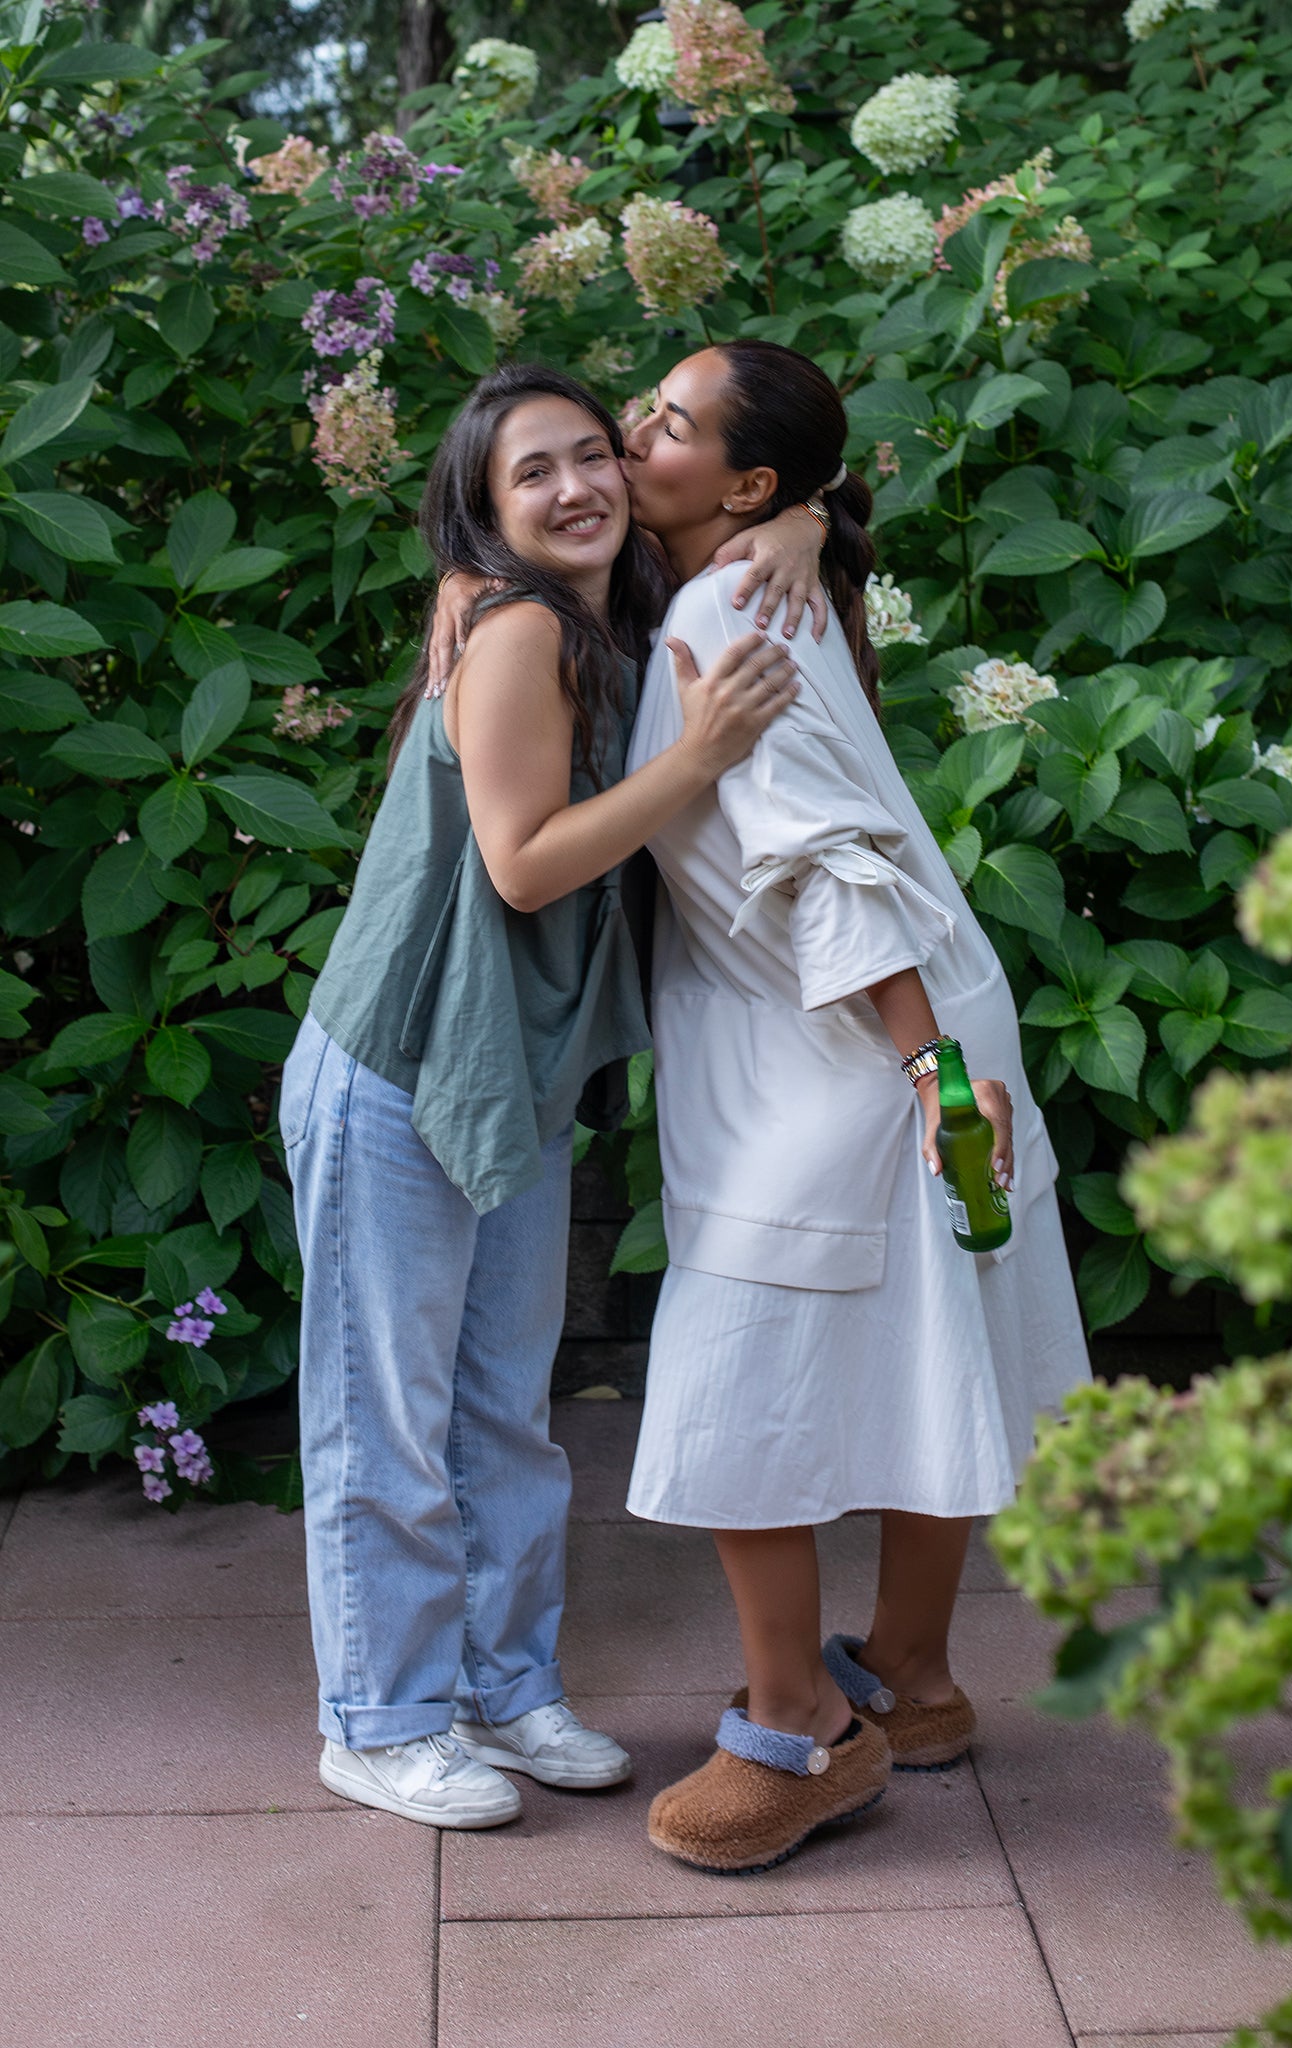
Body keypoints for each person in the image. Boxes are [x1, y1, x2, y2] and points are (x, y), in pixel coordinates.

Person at [280, 362, 820, 1831]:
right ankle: (378, 1722)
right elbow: (524, 864)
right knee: (384, 1418)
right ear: (485, 508)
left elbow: (792, 491)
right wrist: (704, 758)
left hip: (507, 1076)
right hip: (396, 1073)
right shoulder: (516, 628)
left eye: (595, 454)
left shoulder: (618, 610)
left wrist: (809, 523)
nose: (578, 485)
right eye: (535, 472)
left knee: (504, 1415)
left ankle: (502, 1692)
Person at [613, 340, 1093, 1875]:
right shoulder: (761, 572)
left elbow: (817, 851)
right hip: (900, 1013)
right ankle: (916, 1677)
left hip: (852, 1035)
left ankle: (801, 1730)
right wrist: (817, 515)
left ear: (744, 486)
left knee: (733, 1374)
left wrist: (923, 1066)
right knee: (923, 1340)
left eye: (670, 423)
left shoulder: (713, 605)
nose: (635, 432)